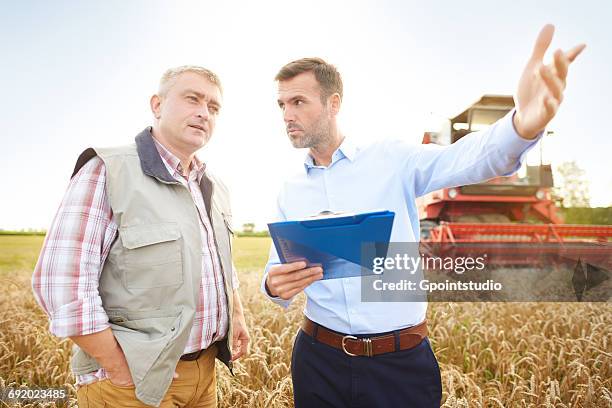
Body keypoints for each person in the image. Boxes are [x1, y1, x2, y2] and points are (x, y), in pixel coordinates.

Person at [262, 25, 584, 407]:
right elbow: (275, 270)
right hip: (318, 359)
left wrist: (521, 126)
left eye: (298, 102)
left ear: (333, 104)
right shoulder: (289, 189)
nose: (287, 114)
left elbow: (465, 159)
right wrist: (272, 284)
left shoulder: (391, 158)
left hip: (399, 365)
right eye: (282, 104)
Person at [32, 65, 250, 408]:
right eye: (192, 98)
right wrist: (119, 367)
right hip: (130, 387)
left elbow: (220, 260)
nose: (203, 112)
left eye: (213, 107)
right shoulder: (107, 169)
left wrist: (236, 314)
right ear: (157, 104)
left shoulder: (214, 186)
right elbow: (62, 283)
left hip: (205, 379)